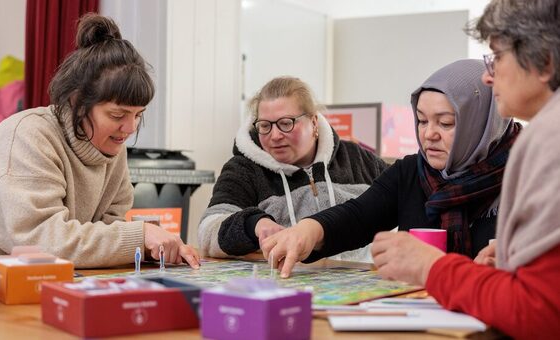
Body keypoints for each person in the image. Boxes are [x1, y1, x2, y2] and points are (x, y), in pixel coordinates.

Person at [370, 1, 560, 338]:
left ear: (543, 63)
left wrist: (431, 267)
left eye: (497, 57)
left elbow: (539, 312)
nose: (489, 75)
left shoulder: (549, 139)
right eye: (422, 120)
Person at [0, 14, 200, 269]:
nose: (130, 128)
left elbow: (109, 233)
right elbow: (40, 241)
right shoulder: (28, 137)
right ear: (77, 101)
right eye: (117, 114)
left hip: (48, 279)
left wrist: (150, 245)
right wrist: (139, 236)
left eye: (138, 115)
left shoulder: (112, 149)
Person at [261, 59, 522, 277]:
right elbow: (358, 217)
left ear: (480, 124)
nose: (428, 134)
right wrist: (309, 230)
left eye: (445, 123)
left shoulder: (527, 175)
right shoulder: (412, 172)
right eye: (421, 120)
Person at [198, 76, 388, 258]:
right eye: (265, 126)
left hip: (363, 284)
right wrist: (253, 224)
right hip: (285, 284)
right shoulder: (244, 170)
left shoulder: (358, 159)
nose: (275, 135)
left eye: (286, 123)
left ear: (313, 122)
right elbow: (207, 232)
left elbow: (407, 196)